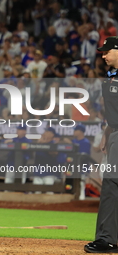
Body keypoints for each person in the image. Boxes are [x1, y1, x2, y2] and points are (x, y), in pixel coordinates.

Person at [84, 36, 118, 253]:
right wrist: (108, 132)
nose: (103, 55)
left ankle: (107, 239)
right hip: (115, 133)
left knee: (112, 185)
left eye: (107, 51)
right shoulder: (112, 76)